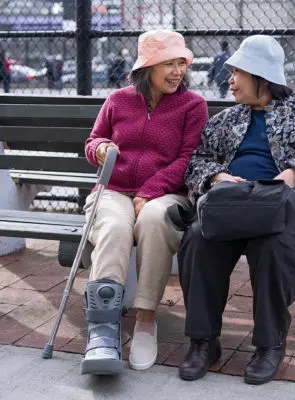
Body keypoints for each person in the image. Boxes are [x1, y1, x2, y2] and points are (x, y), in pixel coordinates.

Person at [177, 35, 295, 385]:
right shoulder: (225, 120)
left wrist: (294, 173)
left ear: (261, 74)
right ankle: (203, 341)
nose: (230, 80)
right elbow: (197, 163)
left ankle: (270, 344)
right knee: (198, 239)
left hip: (293, 204)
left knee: (274, 245)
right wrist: (218, 176)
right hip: (234, 204)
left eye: (237, 72)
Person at [81, 30, 208, 375]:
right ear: (147, 67)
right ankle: (103, 331)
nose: (177, 71)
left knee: (154, 219)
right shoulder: (118, 99)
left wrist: (149, 191)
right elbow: (93, 141)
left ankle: (146, 320)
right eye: (168, 63)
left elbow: (189, 158)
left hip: (165, 193)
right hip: (113, 190)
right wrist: (102, 149)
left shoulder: (193, 105)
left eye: (181, 62)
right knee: (115, 226)